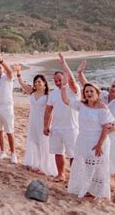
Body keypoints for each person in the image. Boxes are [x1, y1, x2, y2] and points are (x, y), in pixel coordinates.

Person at [60, 80, 115, 200]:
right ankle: (85, 189)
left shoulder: (102, 107)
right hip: (83, 139)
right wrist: (64, 89)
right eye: (86, 91)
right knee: (84, 165)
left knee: (98, 167)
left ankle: (98, 192)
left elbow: (106, 127)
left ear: (97, 93)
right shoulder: (82, 105)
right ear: (84, 94)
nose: (89, 93)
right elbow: (66, 101)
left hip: (98, 140)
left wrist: (99, 145)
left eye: (91, 91)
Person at [44, 53, 80, 182]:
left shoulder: (74, 90)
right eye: (56, 81)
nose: (58, 83)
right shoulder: (53, 94)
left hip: (71, 128)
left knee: (73, 155)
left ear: (65, 78)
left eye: (60, 80)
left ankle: (75, 178)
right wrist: (46, 126)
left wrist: (64, 64)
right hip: (57, 128)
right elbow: (48, 110)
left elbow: (72, 80)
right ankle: (61, 174)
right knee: (58, 152)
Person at [15, 65, 56, 176]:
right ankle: (37, 164)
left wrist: (47, 125)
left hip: (43, 122)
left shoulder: (48, 95)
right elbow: (22, 83)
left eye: (39, 82)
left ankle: (45, 167)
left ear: (44, 83)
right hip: (33, 121)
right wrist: (18, 73)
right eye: (36, 82)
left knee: (44, 144)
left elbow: (50, 112)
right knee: (35, 143)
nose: (37, 83)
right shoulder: (32, 92)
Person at [0, 53, 17, 163]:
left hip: (7, 107)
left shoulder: (7, 78)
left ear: (2, 68)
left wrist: (1, 60)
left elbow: (10, 71)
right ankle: (2, 151)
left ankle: (13, 154)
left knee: (9, 131)